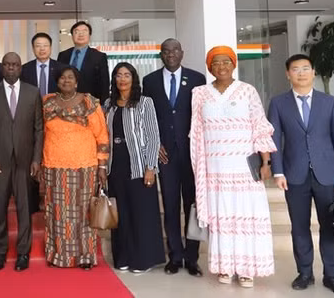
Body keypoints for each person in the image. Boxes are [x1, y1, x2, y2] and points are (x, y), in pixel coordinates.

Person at [190, 46, 277, 288]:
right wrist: (199, 167)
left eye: (226, 62)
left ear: (233, 64)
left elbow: (260, 126)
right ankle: (225, 267)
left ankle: (247, 269)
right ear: (209, 67)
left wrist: (266, 161)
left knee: (246, 216)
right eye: (215, 63)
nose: (221, 67)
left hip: (243, 167)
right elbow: (196, 133)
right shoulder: (199, 93)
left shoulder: (247, 91)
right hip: (214, 168)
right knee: (222, 218)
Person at [268, 54, 334, 296]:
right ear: (288, 74)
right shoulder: (278, 103)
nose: (301, 73)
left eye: (306, 68)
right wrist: (278, 170)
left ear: (313, 72)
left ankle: (331, 275)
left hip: (329, 175)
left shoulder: (330, 102)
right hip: (294, 175)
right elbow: (274, 139)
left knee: (330, 225)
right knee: (299, 226)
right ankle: (305, 272)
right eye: (296, 69)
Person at [141, 38, 206, 276]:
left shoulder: (198, 79)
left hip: (191, 153)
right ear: (161, 55)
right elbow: (146, 116)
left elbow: (202, 115)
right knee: (169, 205)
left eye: (175, 50)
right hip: (164, 153)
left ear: (182, 53)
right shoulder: (150, 81)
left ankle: (192, 258)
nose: (171, 55)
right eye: (166, 51)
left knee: (192, 205)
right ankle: (174, 257)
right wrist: (154, 143)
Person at [0, 53, 43, 272]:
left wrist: (37, 159)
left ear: (21, 68)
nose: (11, 68)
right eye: (7, 64)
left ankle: (23, 253)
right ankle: (0, 252)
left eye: (15, 65)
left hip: (26, 162)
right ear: (2, 68)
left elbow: (38, 129)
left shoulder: (33, 92)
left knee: (24, 209)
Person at [42, 65, 109, 269]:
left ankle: (85, 256)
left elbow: (102, 135)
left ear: (77, 81)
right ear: (57, 81)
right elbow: (39, 132)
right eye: (62, 78)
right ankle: (58, 255)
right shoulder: (47, 102)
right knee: (57, 213)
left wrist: (102, 165)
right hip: (54, 167)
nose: (66, 81)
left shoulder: (90, 102)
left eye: (70, 77)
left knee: (83, 214)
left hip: (85, 167)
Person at [105, 62, 165, 274]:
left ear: (133, 78)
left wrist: (151, 167)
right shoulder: (108, 105)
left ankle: (143, 260)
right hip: (115, 166)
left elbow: (153, 136)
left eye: (126, 75)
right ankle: (122, 257)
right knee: (120, 215)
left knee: (141, 215)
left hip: (139, 166)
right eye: (118, 75)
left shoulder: (145, 102)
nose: (122, 79)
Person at [57, 21, 110, 103]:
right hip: (65, 103)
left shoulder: (99, 57)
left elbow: (104, 84)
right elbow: (58, 80)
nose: (80, 34)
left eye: (84, 31)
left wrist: (103, 106)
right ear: (72, 36)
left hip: (90, 104)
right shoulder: (63, 55)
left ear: (89, 35)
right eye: (76, 31)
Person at [21, 32, 66, 97]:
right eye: (38, 46)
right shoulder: (24, 69)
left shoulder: (61, 69)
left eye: (45, 45)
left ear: (50, 48)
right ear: (33, 49)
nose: (42, 49)